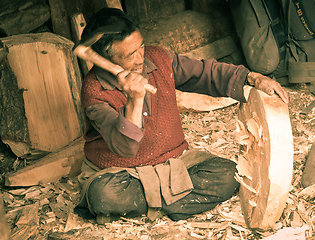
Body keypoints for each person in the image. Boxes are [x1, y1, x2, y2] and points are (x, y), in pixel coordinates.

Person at [74, 7, 289, 223]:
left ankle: (152, 205)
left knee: (228, 174)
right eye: (131, 55)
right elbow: (125, 147)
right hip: (124, 173)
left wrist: (252, 78)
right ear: (107, 58)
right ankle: (176, 202)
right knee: (103, 196)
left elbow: (205, 73)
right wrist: (135, 99)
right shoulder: (95, 91)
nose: (140, 58)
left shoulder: (157, 57)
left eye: (141, 47)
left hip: (174, 163)